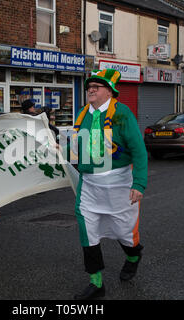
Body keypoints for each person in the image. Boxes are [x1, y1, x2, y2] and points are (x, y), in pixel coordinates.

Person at [69, 69, 148, 300]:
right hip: (90, 187)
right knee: (88, 233)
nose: (91, 89)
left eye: (97, 86)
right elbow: (80, 149)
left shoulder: (122, 115)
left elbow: (139, 151)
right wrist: (60, 151)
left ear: (111, 92)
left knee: (125, 234)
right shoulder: (83, 114)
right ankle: (96, 283)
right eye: (89, 86)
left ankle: (133, 256)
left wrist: (139, 184)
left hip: (119, 186)